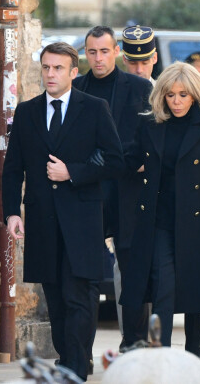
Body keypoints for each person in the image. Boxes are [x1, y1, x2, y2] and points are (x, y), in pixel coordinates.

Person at [2, 42, 124, 381]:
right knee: (54, 299)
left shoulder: (95, 108)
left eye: (58, 68)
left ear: (73, 73)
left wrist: (74, 171)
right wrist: (12, 213)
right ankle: (70, 359)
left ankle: (74, 364)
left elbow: (114, 160)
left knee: (79, 295)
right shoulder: (27, 112)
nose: (51, 74)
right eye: (46, 68)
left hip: (82, 219)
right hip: (42, 221)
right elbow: (13, 169)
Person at [120, 61, 200, 358]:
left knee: (195, 292)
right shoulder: (150, 125)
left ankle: (192, 354)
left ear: (195, 94)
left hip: (198, 222)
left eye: (183, 94)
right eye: (170, 94)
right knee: (164, 288)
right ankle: (164, 354)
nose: (176, 101)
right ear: (162, 95)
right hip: (159, 219)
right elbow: (127, 161)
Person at [72, 26, 153, 352]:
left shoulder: (138, 87)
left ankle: (134, 341)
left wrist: (132, 162)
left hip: (129, 191)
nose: (99, 58)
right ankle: (80, 351)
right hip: (87, 190)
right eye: (92, 52)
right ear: (85, 54)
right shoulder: (75, 88)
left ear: (116, 51)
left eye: (104, 51)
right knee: (84, 273)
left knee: (133, 269)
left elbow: (150, 138)